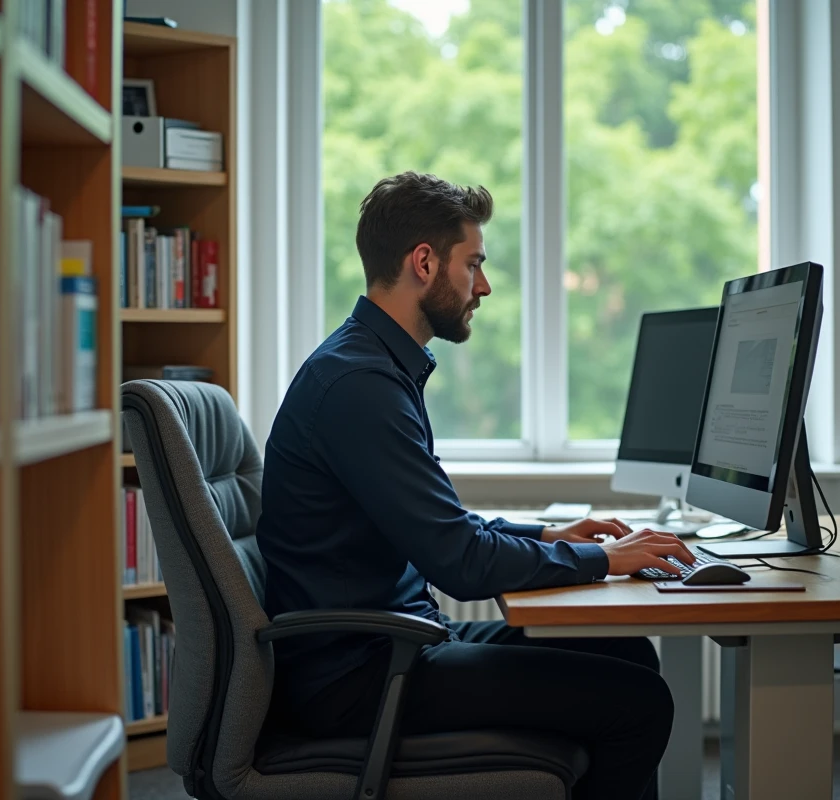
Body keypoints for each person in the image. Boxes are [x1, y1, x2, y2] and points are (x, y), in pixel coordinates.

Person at [256, 171, 695, 800]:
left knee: (623, 650)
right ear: (425, 263)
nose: (482, 287)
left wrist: (548, 533)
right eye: (474, 264)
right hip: (362, 675)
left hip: (394, 643)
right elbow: (459, 561)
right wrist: (601, 559)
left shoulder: (371, 367)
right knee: (640, 703)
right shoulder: (360, 386)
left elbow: (444, 527)